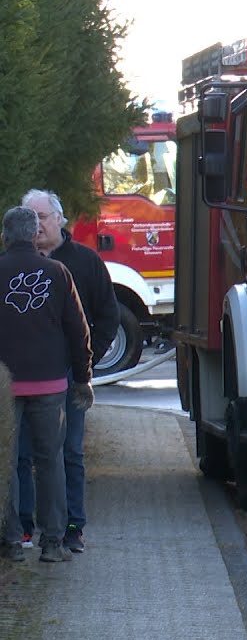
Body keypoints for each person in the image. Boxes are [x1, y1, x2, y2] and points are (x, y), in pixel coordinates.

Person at [14, 189, 117, 553]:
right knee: (21, 455)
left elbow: (106, 317)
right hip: (20, 379)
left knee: (69, 452)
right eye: (31, 218)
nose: (37, 224)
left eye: (42, 216)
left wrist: (86, 365)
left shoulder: (85, 262)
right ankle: (25, 525)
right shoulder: (11, 265)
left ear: (60, 218)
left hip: (69, 378)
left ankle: (72, 526)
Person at [1, 206, 93, 564]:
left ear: (6, 236)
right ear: (34, 234)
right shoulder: (57, 272)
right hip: (50, 384)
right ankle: (52, 542)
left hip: (4, 386)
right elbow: (78, 329)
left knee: (7, 464)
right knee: (50, 461)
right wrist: (82, 378)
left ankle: (10, 541)